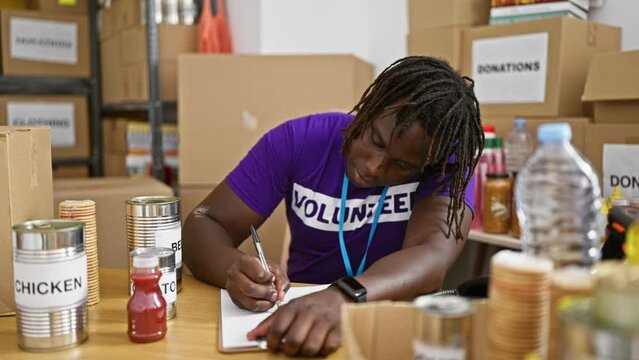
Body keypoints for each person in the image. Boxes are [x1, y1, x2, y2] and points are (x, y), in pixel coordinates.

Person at [183, 56, 483, 357]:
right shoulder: (300, 140)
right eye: (376, 141)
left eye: (403, 165)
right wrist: (232, 268)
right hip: (300, 328)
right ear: (368, 109)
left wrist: (346, 296)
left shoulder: (445, 161)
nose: (376, 167)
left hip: (395, 334)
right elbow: (204, 223)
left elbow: (431, 255)